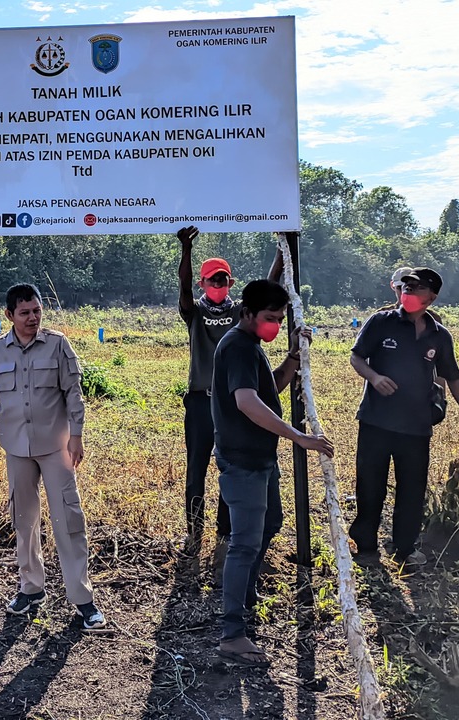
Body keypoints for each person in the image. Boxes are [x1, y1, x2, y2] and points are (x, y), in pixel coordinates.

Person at [0, 283, 107, 631]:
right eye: (25, 312)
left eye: (36, 311)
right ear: (9, 316)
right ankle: (31, 589)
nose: (33, 317)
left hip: (56, 448)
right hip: (16, 448)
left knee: (68, 520)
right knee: (24, 520)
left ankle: (83, 600)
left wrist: (77, 434)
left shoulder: (58, 344)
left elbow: (74, 394)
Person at [211, 279, 332, 667]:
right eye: (269, 318)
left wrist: (293, 357)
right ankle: (232, 633)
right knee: (244, 544)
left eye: (280, 319)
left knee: (270, 524)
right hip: (242, 462)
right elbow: (247, 403)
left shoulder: (252, 346)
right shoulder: (237, 347)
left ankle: (244, 597)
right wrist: (298, 436)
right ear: (246, 313)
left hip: (260, 459)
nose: (274, 326)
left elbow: (269, 392)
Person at [348, 268, 459, 570]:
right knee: (370, 485)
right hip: (376, 421)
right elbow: (356, 357)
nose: (407, 292)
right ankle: (366, 545)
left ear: (430, 297)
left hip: (416, 426)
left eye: (416, 288)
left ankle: (405, 548)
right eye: (405, 287)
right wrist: (374, 376)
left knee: (411, 490)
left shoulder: (439, 335)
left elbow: (452, 374)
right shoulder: (380, 323)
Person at [176, 226, 283, 546]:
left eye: (223, 280)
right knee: (196, 467)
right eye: (213, 280)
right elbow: (182, 285)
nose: (218, 285)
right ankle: (194, 531)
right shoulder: (194, 312)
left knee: (230, 465)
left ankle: (225, 531)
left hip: (230, 403)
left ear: (230, 283)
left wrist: (281, 252)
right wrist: (186, 250)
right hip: (199, 400)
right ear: (203, 284)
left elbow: (269, 288)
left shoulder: (241, 313)